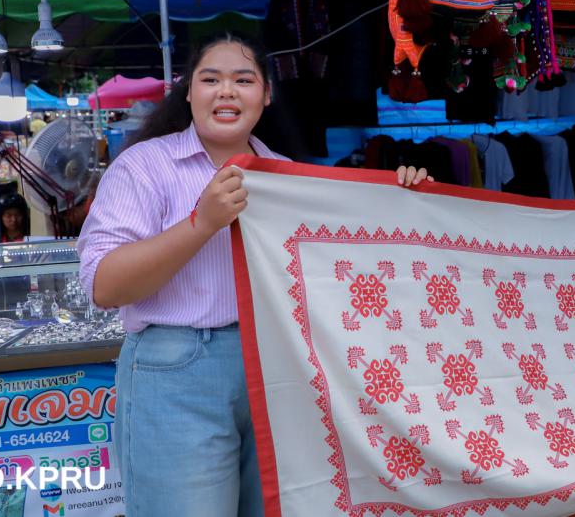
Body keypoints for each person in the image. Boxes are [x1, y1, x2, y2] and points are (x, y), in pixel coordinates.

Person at [77, 33, 429, 516]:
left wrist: (408, 197)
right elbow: (106, 286)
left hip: (278, 370)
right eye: (210, 79)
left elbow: (347, 265)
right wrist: (202, 223)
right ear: (187, 91)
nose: (226, 91)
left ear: (266, 94)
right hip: (176, 369)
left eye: (243, 80)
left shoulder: (286, 177)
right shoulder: (144, 167)